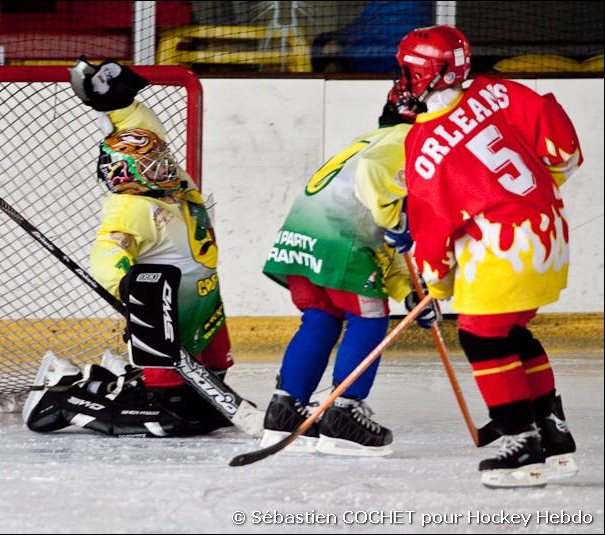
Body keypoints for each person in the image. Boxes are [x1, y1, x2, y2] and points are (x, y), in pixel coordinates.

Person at [394, 25, 582, 487]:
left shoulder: (422, 143)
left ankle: (521, 444)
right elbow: (565, 155)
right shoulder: (501, 90)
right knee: (512, 331)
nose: (402, 77)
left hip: (504, 245)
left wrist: (435, 282)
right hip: (549, 231)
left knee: (481, 337)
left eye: (407, 69)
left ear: (425, 74)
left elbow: (433, 225)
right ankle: (552, 434)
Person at [22, 60, 235, 438]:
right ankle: (64, 400)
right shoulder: (131, 205)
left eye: (160, 160)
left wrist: (118, 105)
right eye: (151, 166)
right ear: (127, 175)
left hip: (204, 300)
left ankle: (138, 380)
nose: (163, 167)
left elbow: (143, 133)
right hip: (168, 312)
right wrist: (132, 294)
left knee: (213, 387)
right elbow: (107, 256)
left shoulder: (177, 187)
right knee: (174, 420)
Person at [260, 84, 436, 456]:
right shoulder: (411, 139)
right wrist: (397, 219)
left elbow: (387, 245)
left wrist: (411, 291)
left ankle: (284, 411)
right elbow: (385, 213)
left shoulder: (367, 140)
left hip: (304, 239)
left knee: (321, 319)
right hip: (343, 244)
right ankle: (344, 413)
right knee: (369, 318)